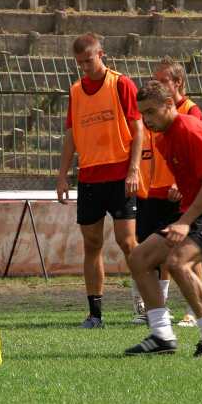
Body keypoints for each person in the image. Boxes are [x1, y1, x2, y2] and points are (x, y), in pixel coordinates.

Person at [125, 80, 202, 357]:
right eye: (143, 113)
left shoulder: (190, 129)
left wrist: (184, 222)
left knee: (178, 263)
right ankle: (162, 335)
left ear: (169, 104)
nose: (146, 119)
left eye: (151, 111)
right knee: (139, 258)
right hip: (199, 210)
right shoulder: (165, 140)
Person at [56, 33, 144, 329]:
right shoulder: (76, 90)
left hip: (120, 176)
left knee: (128, 242)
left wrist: (134, 170)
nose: (84, 67)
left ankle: (145, 305)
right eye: (79, 63)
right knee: (92, 243)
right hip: (90, 177)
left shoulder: (121, 84)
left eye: (88, 61)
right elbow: (71, 135)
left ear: (101, 54)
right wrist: (62, 175)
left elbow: (138, 129)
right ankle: (95, 314)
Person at [136, 57, 202, 326]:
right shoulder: (154, 113)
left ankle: (194, 309)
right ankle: (159, 308)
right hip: (154, 190)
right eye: (155, 80)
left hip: (180, 193)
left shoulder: (190, 111)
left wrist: (179, 183)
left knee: (188, 251)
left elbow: (193, 153)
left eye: (163, 80)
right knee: (157, 252)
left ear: (178, 82)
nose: (158, 84)